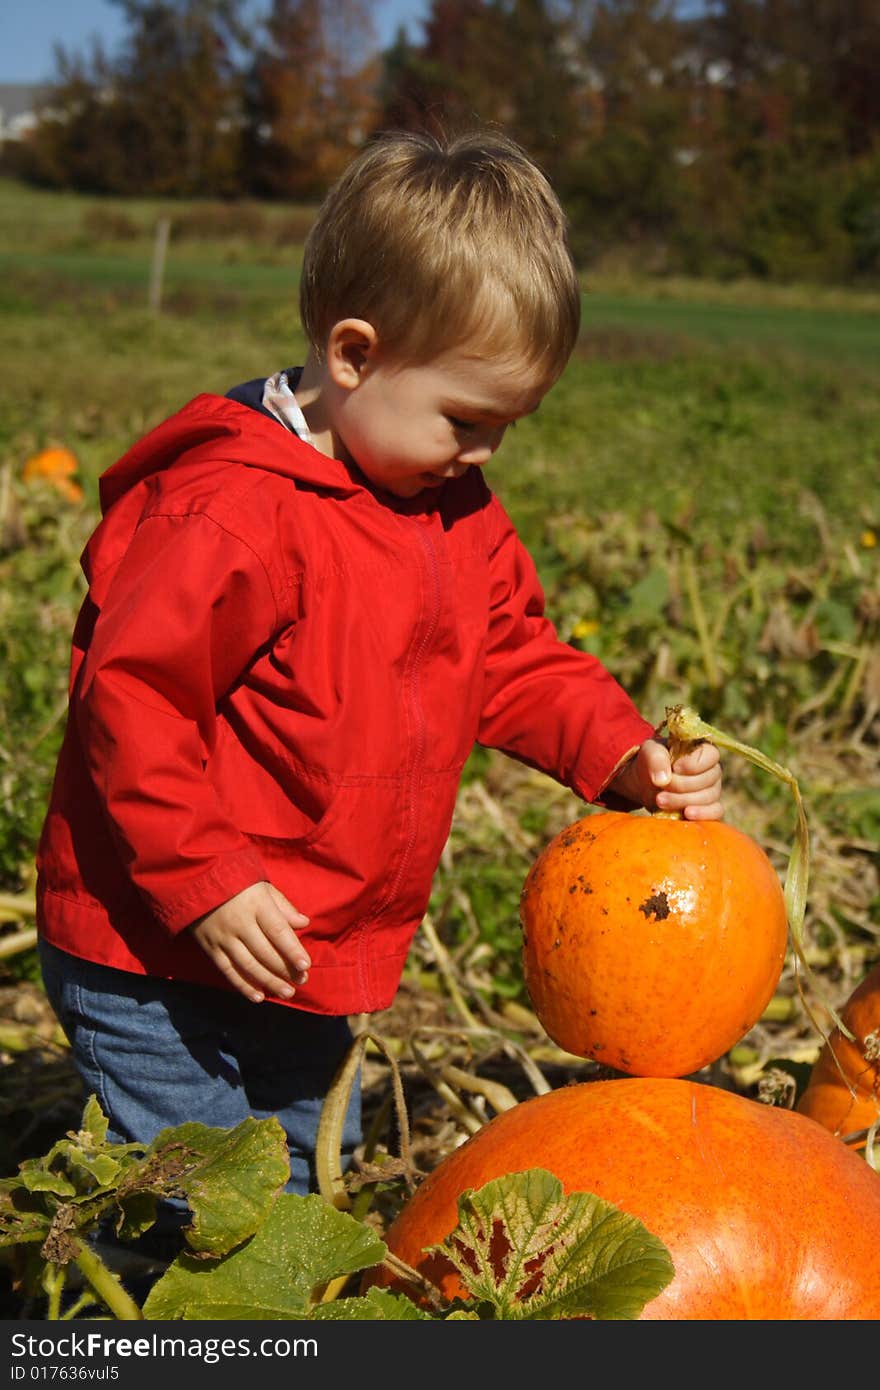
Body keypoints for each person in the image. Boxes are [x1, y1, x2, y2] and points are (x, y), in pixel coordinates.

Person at [35, 128, 723, 1210]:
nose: (485, 454)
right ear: (353, 354)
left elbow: (509, 657)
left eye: (508, 426)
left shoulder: (453, 514)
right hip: (152, 949)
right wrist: (204, 878)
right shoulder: (233, 510)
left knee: (315, 1189)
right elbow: (133, 699)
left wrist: (619, 751)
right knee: (196, 1213)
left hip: (308, 952)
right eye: (466, 420)